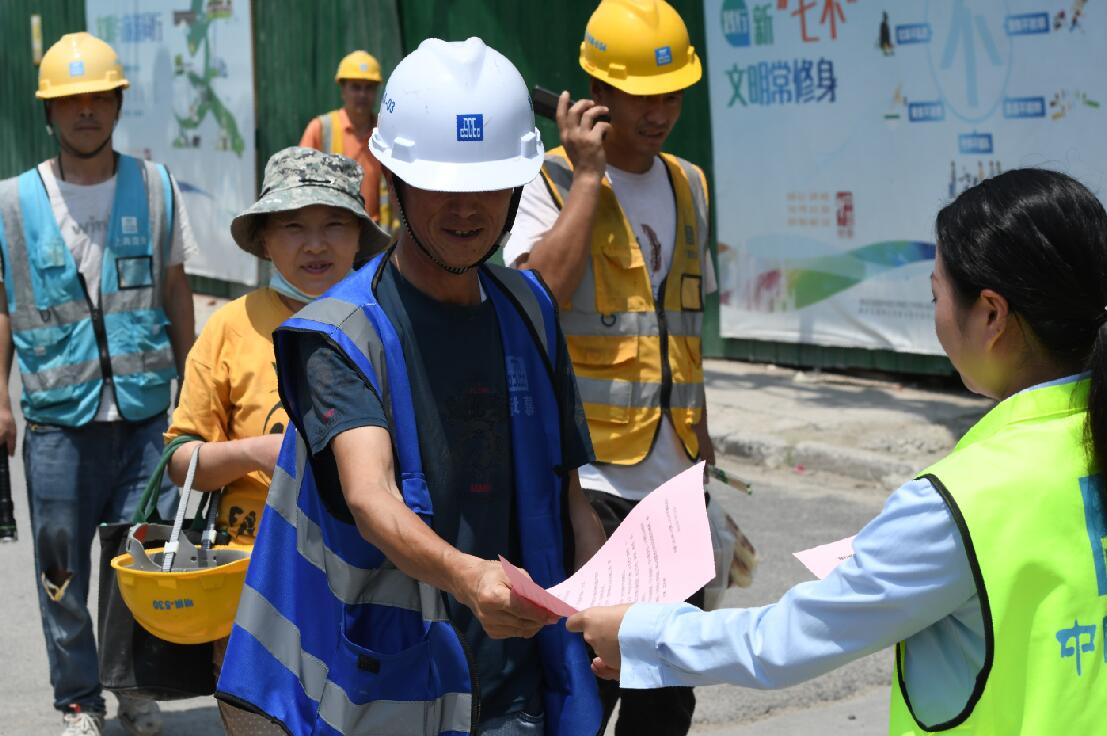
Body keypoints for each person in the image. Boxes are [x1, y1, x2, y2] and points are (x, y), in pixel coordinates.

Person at [568, 168, 1107, 734]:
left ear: (992, 316)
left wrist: (640, 632)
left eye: (936, 294)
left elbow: (783, 641)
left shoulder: (961, 502)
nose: (938, 316)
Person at [217, 38, 606, 735]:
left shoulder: (529, 308)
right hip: (395, 691)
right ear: (392, 180)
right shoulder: (340, 333)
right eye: (440, 187)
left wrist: (606, 591)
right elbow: (370, 498)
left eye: (487, 185)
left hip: (523, 684)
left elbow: (566, 489)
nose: (466, 209)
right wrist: (467, 575)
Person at [503, 0, 716, 732]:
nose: (660, 112)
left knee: (666, 695)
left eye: (672, 93)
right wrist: (590, 179)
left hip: (674, 490)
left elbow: (681, 337)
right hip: (589, 486)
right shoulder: (550, 182)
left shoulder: (689, 183)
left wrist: (703, 459)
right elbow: (537, 297)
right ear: (597, 92)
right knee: (580, 691)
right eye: (642, 95)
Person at [0, 32, 196, 736]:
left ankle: (137, 692)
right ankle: (78, 700)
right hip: (57, 419)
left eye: (98, 98)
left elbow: (176, 290)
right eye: (70, 101)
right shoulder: (12, 202)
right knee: (61, 572)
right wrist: (0, 397)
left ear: (117, 104)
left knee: (139, 563)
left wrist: (195, 392)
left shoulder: (154, 185)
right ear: (50, 113)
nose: (86, 111)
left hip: (146, 419)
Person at [163, 146, 389, 734]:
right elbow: (179, 458)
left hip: (370, 585)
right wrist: (259, 454)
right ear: (264, 239)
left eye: (334, 224)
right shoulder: (229, 326)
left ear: (360, 237)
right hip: (253, 595)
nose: (315, 244)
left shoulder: (386, 321)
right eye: (293, 226)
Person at [300, 50, 396, 231]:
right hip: (333, 235)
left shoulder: (386, 133)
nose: (362, 94)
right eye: (356, 87)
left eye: (369, 88)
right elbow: (300, 184)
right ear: (343, 89)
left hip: (378, 235)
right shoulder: (321, 129)